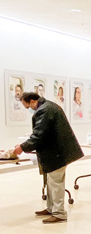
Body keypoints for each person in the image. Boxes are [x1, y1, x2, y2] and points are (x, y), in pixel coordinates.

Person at [13, 92, 84, 224]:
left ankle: (59, 213)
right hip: (56, 151)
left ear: (33, 101)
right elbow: (44, 134)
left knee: (56, 183)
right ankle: (51, 208)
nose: (27, 109)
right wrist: (30, 147)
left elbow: (39, 135)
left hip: (56, 153)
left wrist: (22, 147)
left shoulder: (44, 110)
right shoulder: (49, 107)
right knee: (51, 183)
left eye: (26, 106)